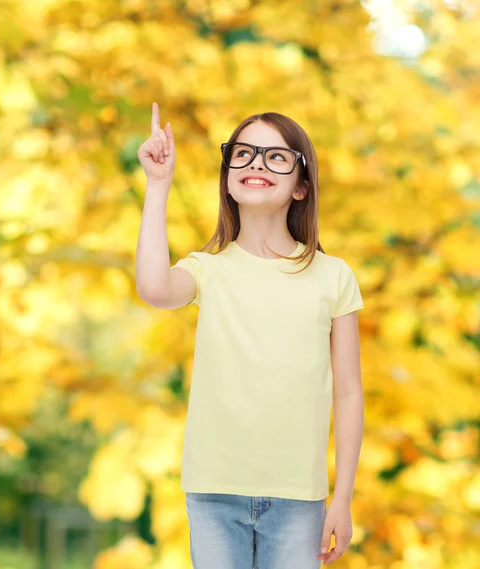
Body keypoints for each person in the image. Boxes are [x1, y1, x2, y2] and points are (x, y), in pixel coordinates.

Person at [135, 102, 364, 569]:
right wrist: (158, 186)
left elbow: (348, 392)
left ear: (301, 186)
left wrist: (342, 498)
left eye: (276, 156)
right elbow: (155, 289)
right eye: (243, 153)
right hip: (214, 492)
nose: (256, 163)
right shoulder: (208, 270)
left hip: (300, 496)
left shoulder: (334, 276)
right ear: (228, 176)